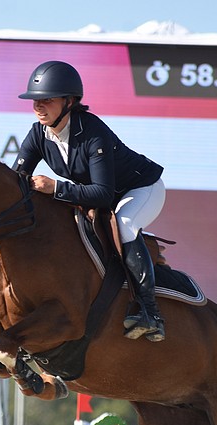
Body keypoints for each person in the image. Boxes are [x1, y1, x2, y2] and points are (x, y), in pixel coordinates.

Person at [15, 60, 167, 342]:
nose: (38, 107)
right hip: (105, 194)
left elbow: (102, 195)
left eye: (46, 100)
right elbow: (16, 179)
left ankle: (150, 312)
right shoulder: (38, 133)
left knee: (124, 222)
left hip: (141, 189)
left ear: (69, 101)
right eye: (35, 100)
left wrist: (56, 187)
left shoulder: (92, 131)